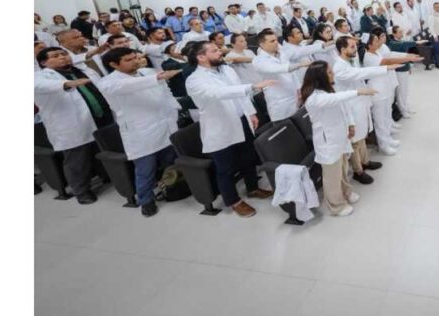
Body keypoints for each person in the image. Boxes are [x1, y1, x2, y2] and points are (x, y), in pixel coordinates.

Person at [185, 41, 276, 218]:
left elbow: (241, 96)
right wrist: (252, 86)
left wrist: (251, 112)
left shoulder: (226, 69)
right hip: (220, 128)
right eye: (214, 50)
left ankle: (253, 188)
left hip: (241, 120)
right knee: (225, 168)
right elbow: (217, 93)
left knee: (248, 158)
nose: (220, 52)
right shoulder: (194, 80)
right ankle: (234, 201)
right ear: (201, 57)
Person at [99, 48, 182, 217]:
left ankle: (172, 189)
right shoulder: (108, 82)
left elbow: (165, 92)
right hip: (141, 132)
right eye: (129, 60)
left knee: (170, 162)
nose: (135, 61)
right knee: (145, 170)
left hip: (165, 125)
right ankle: (146, 201)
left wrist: (174, 110)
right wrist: (156, 78)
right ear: (114, 64)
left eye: (135, 57)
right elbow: (128, 86)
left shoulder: (147, 72)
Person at [34, 47, 114, 204]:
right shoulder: (40, 77)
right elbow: (39, 86)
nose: (62, 57)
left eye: (64, 54)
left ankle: (107, 177)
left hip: (98, 117)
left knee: (101, 151)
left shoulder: (79, 70)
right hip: (72, 125)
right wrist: (66, 84)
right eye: (55, 56)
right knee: (78, 160)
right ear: (43, 62)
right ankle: (82, 191)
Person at [300, 61, 375, 216]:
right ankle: (336, 206)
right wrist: (358, 92)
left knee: (342, 169)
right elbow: (336, 99)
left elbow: (344, 107)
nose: (332, 74)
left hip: (340, 136)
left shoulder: (329, 89)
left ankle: (346, 193)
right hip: (328, 142)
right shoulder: (314, 97)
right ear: (320, 77)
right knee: (332, 176)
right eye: (329, 72)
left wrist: (350, 124)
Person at [333, 36, 392, 177]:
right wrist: (385, 68)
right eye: (352, 47)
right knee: (354, 140)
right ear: (343, 49)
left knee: (361, 137)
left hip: (359, 104)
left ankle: (365, 161)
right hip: (350, 108)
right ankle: (358, 171)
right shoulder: (339, 67)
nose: (356, 49)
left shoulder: (351, 61)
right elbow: (361, 73)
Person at [362, 28, 422, 155]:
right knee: (379, 120)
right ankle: (383, 145)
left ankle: (388, 139)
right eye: (376, 40)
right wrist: (407, 59)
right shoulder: (369, 57)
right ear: (369, 45)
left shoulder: (376, 53)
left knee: (385, 116)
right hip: (377, 91)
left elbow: (390, 56)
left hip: (384, 88)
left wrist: (407, 56)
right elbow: (387, 61)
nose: (379, 42)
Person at [253, 28, 323, 122]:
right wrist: (299, 65)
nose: (276, 43)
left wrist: (299, 89)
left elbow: (292, 74)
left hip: (295, 98)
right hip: (280, 104)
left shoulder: (281, 53)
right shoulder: (258, 60)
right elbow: (278, 68)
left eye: (276, 40)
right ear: (262, 44)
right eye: (272, 41)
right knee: (289, 129)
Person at [387, 25, 422, 116]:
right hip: (399, 71)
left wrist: (408, 67)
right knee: (400, 92)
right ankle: (402, 110)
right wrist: (416, 42)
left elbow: (406, 55)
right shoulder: (393, 43)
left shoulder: (400, 41)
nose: (402, 33)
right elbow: (405, 45)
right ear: (394, 34)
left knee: (405, 90)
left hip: (405, 69)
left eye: (402, 31)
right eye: (399, 32)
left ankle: (406, 107)